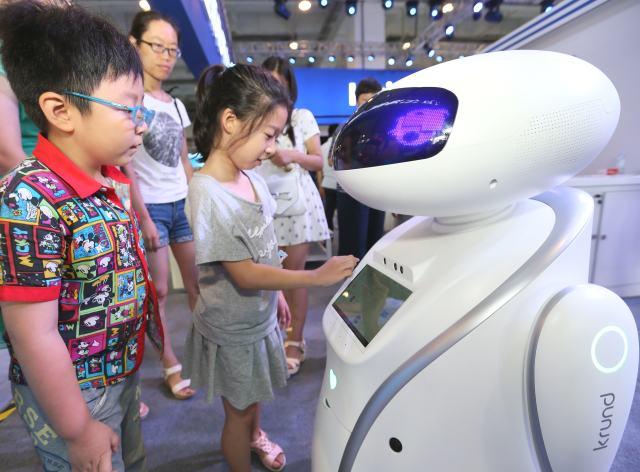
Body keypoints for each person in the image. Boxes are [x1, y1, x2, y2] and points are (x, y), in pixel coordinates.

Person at [0, 1, 163, 470]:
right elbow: (34, 337)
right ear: (61, 110)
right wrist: (76, 428)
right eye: (129, 108)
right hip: (75, 391)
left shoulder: (106, 176)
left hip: (120, 372)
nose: (141, 123)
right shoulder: (28, 200)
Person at [185, 63, 358, 472]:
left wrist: (278, 293)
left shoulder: (252, 178)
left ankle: (255, 435)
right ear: (230, 121)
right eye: (267, 135)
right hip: (233, 327)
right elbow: (244, 272)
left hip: (258, 317)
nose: (271, 148)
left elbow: (265, 250)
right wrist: (313, 276)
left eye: (276, 136)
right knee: (238, 412)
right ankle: (242, 448)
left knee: (254, 394)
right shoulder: (207, 193)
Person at [124, 10, 198, 402]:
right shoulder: (127, 101)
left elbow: (184, 161)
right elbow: (125, 166)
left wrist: (197, 201)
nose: (166, 57)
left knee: (199, 284)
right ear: (134, 44)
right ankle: (170, 365)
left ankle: (207, 356)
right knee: (161, 292)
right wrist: (143, 218)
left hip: (181, 203)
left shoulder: (176, 105)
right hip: (150, 207)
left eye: (172, 50)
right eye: (157, 47)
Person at [258, 56, 330, 377]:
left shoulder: (301, 117)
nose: (273, 88)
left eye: (279, 82)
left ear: (289, 85)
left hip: (297, 206)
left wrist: (292, 155)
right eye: (267, 81)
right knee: (269, 279)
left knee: (294, 275)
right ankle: (275, 337)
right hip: (264, 205)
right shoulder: (255, 119)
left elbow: (318, 161)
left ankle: (295, 340)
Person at [336, 77, 386, 259]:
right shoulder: (346, 127)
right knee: (353, 246)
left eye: (374, 100)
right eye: (365, 100)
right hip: (351, 192)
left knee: (375, 243)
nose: (369, 105)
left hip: (377, 192)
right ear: (357, 101)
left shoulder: (383, 129)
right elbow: (332, 160)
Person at [317, 124, 339, 232]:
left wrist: (320, 185)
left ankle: (329, 236)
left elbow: (319, 170)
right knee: (341, 214)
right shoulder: (339, 145)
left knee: (328, 213)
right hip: (339, 185)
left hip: (326, 184)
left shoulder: (322, 147)